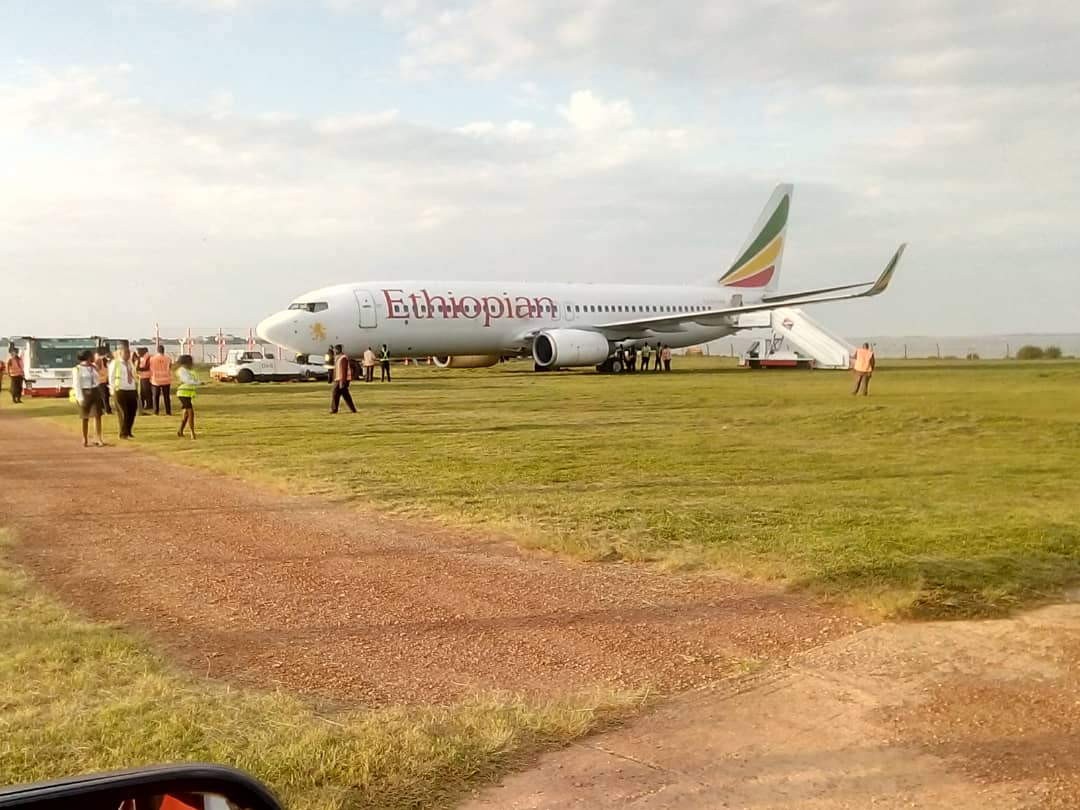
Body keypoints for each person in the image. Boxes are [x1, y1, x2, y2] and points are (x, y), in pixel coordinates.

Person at [108, 341, 139, 439]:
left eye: (128, 353)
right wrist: (112, 389)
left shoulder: (130, 363)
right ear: (120, 353)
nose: (128, 355)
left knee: (132, 412)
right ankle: (123, 433)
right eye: (126, 353)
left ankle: (128, 431)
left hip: (131, 389)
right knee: (123, 412)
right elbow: (111, 377)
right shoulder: (115, 363)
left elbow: (134, 375)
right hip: (120, 389)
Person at [73, 351, 104, 447]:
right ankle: (85, 437)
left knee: (97, 416)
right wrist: (79, 398)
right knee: (85, 417)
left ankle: (98, 437)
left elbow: (99, 377)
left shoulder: (93, 367)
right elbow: (76, 384)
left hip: (94, 391)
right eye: (91, 356)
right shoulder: (77, 369)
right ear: (87, 357)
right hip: (84, 392)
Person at [175, 354, 202, 438]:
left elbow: (196, 380)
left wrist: (198, 382)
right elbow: (187, 381)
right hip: (182, 393)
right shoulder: (181, 370)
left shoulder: (193, 372)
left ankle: (180, 431)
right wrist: (197, 383)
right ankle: (192, 432)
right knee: (190, 412)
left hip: (189, 394)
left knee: (186, 414)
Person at [330, 345, 356, 413]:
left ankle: (334, 410)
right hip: (338, 379)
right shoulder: (338, 358)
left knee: (335, 394)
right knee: (345, 395)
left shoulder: (343, 358)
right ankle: (352, 409)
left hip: (341, 380)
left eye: (335, 350)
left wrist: (342, 382)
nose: (334, 351)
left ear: (338, 350)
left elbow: (343, 371)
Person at [149, 345, 172, 415]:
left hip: (156, 380)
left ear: (157, 350)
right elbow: (170, 367)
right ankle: (168, 412)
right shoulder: (168, 358)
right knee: (166, 397)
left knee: (156, 397)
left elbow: (150, 367)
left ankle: (156, 412)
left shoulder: (153, 358)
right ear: (163, 350)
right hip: (166, 379)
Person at [94, 346, 113, 415]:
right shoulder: (99, 360)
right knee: (104, 396)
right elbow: (96, 369)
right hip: (100, 381)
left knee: (105, 396)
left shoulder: (104, 359)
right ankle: (107, 410)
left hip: (104, 380)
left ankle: (105, 408)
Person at [135, 346, 153, 412]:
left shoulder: (148, 357)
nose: (137, 354)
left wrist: (139, 369)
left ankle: (149, 404)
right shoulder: (141, 358)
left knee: (147, 392)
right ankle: (142, 405)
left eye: (138, 352)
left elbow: (147, 366)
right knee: (142, 392)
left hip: (147, 377)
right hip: (142, 377)